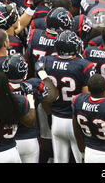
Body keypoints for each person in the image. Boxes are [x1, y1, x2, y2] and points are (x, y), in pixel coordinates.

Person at [35, 30, 96, 163]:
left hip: (56, 119)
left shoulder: (44, 62)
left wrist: (49, 115)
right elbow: (87, 98)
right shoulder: (84, 65)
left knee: (59, 160)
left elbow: (44, 94)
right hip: (75, 121)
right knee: (82, 159)